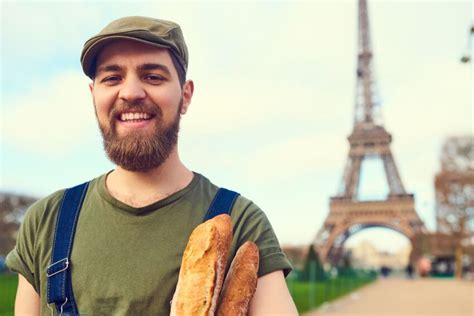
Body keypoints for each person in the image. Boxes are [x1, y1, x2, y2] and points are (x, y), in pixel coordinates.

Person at [6, 16, 298, 315]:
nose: (131, 92)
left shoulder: (241, 221)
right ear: (93, 96)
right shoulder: (46, 222)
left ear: (185, 96)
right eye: (112, 77)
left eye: (153, 77)